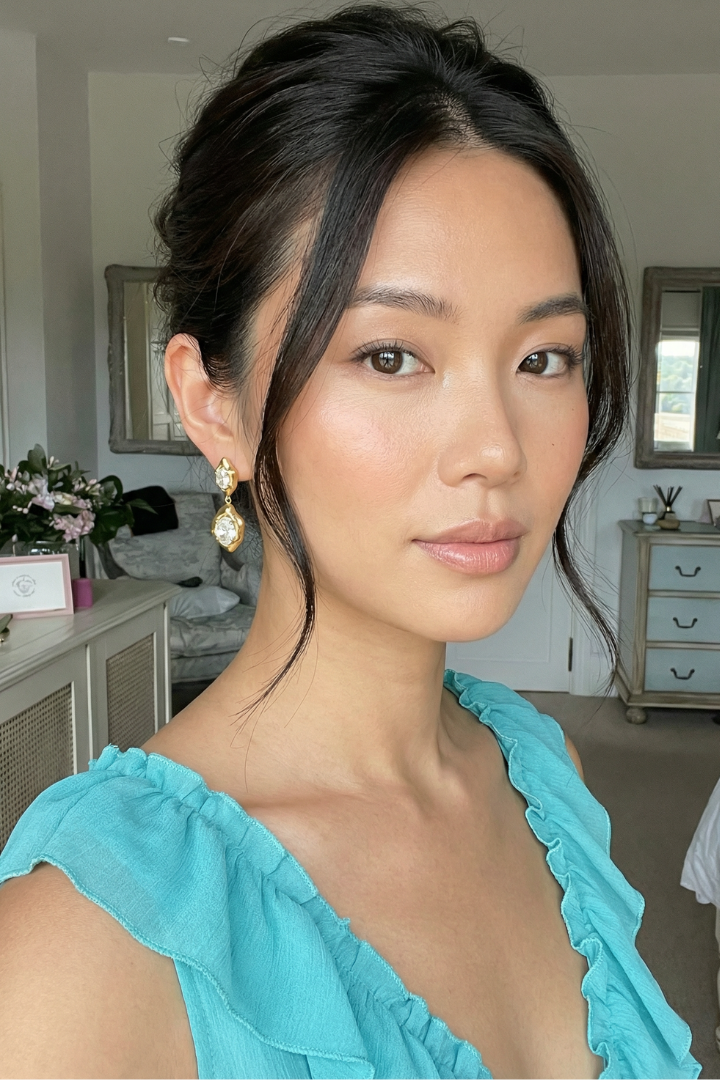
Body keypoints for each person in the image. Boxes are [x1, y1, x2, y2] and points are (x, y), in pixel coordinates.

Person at [0, 7, 700, 1078]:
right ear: (213, 403)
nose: (496, 449)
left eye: (545, 359)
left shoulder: (543, 776)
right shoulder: (78, 951)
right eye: (390, 356)